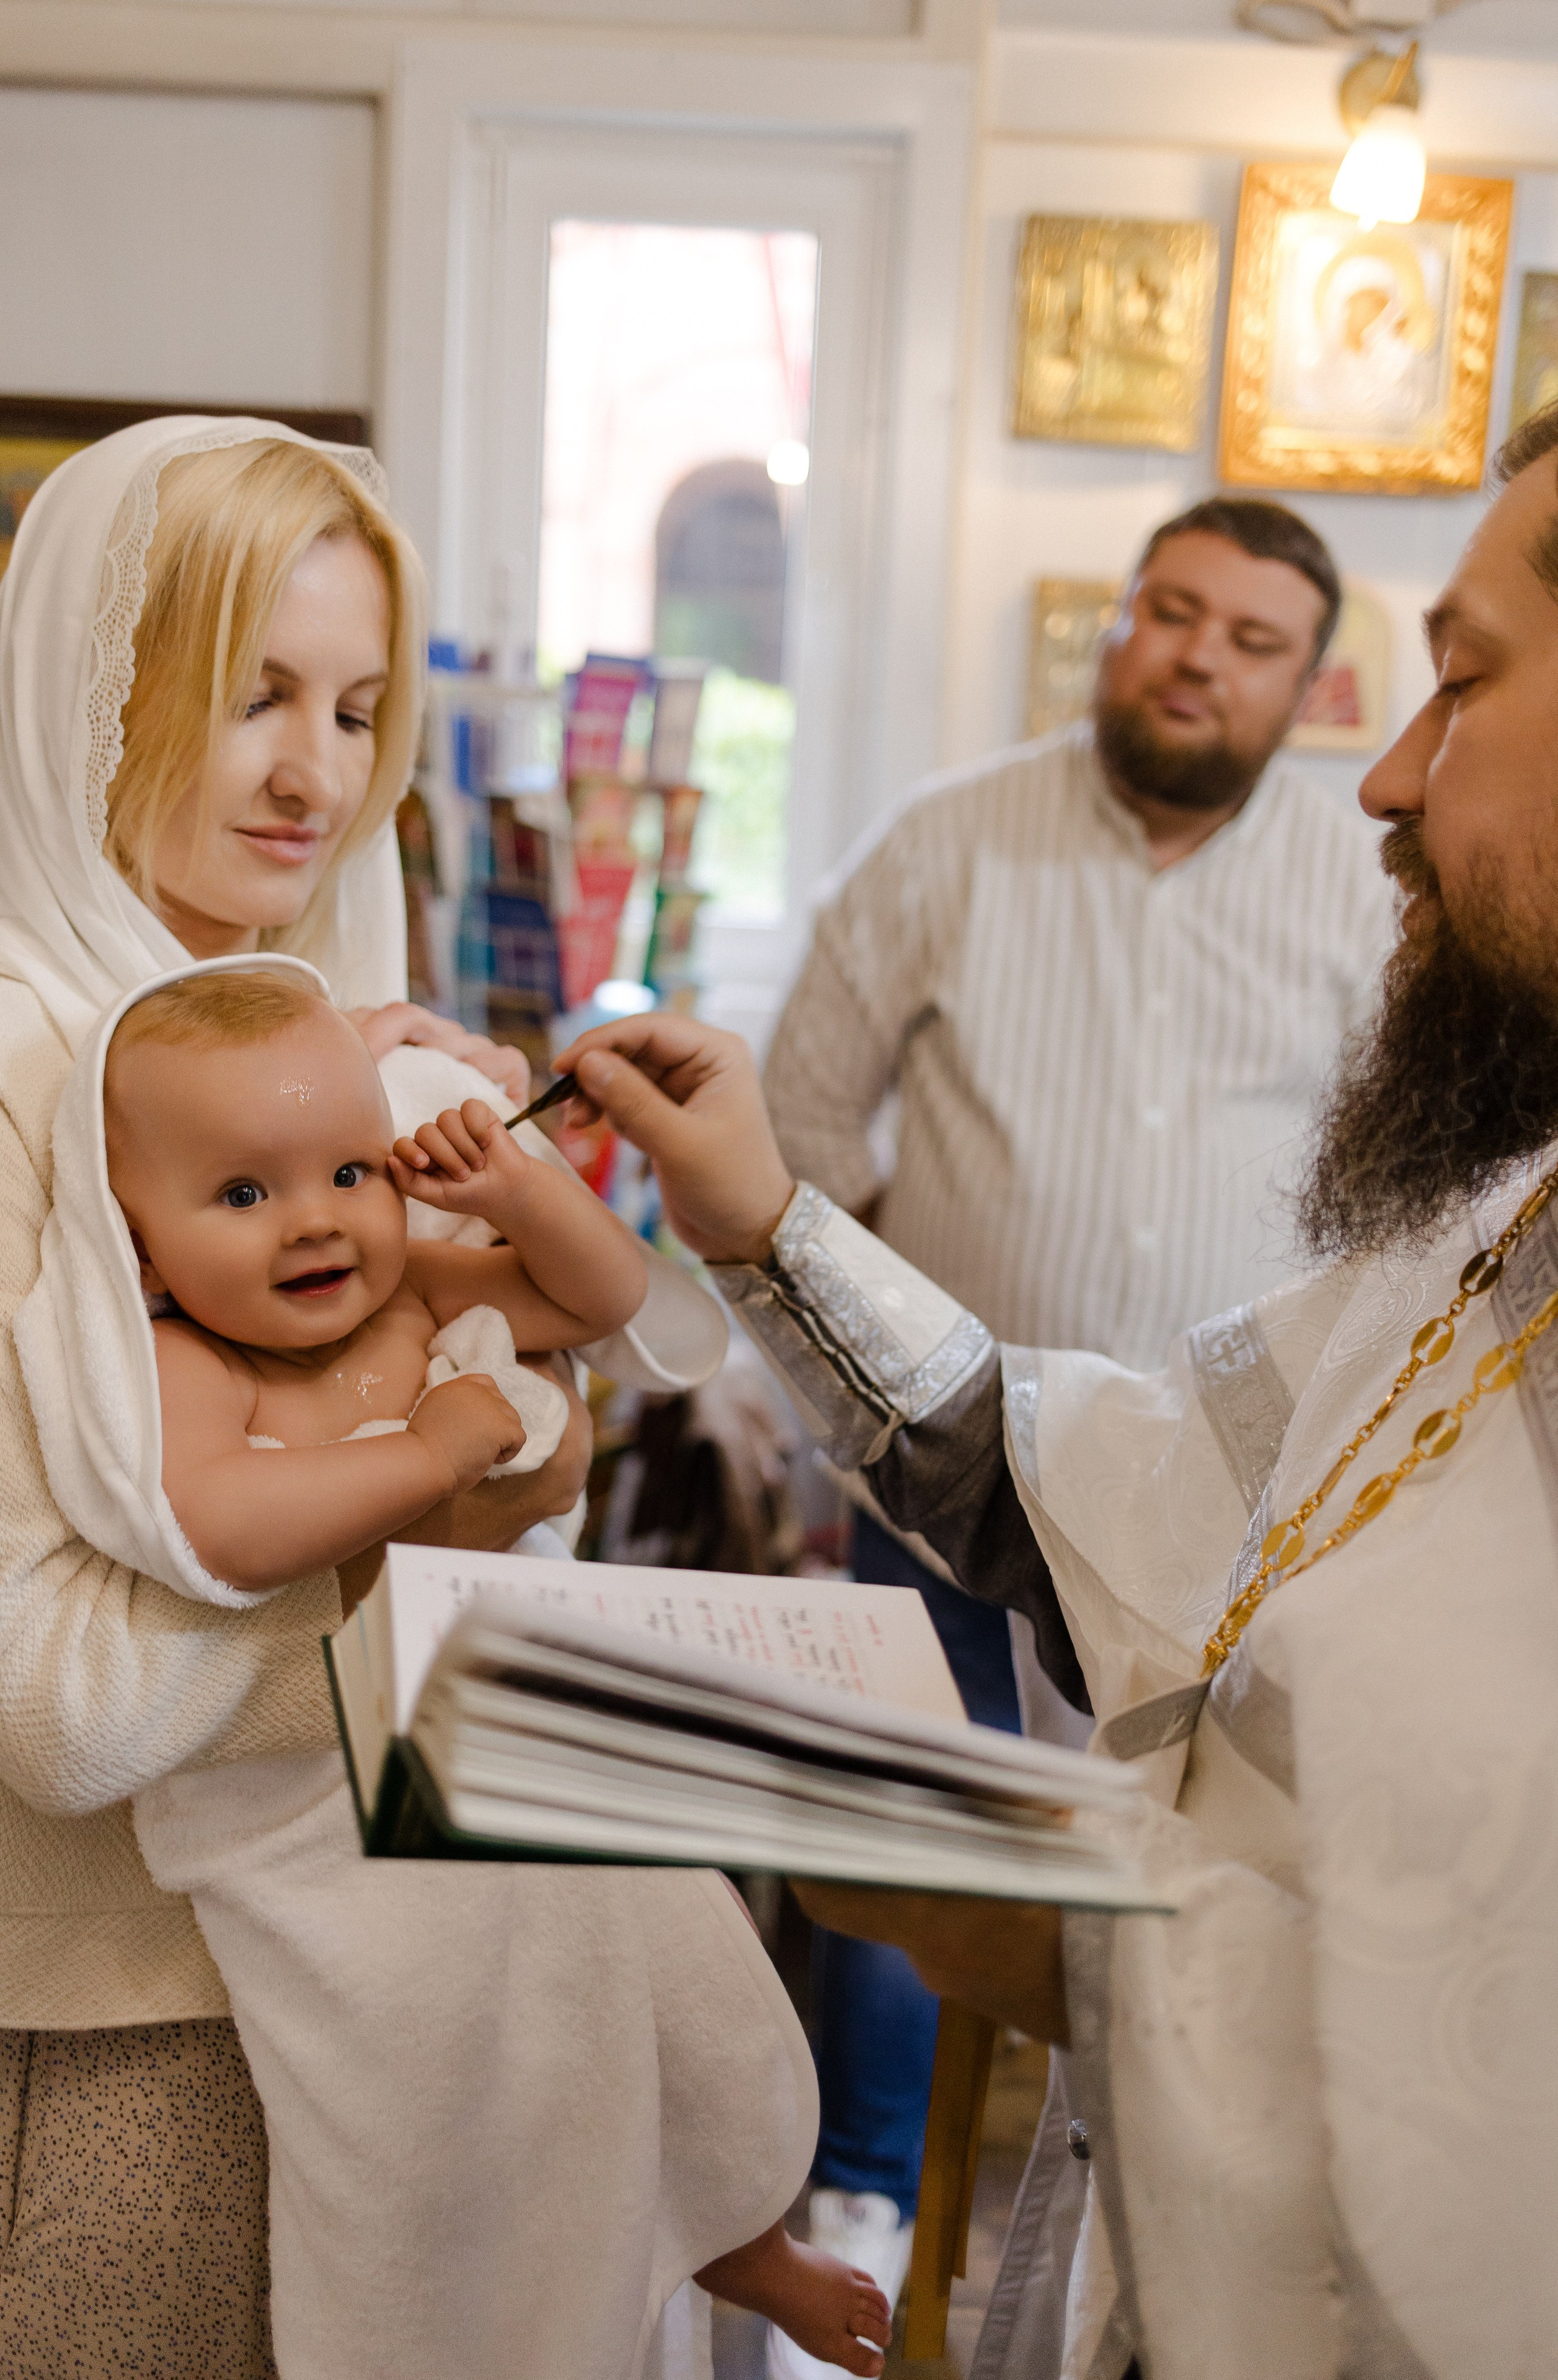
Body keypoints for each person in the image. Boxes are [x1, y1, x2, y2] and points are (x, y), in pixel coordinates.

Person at [552, 397, 1558, 2379]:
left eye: (1465, 685)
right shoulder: (1492, 1235)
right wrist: (763, 1221)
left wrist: (1032, 1925)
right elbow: (1112, 1479)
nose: (1394, 784)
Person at [0, 416, 810, 2380]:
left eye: (355, 711)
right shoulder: (10, 1085)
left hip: (417, 1990)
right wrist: (427, 1532)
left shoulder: (329, 1049)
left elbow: (533, 1411)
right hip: (133, 2043)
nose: (313, 774)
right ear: (95, 686)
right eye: (247, 693)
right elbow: (50, 1702)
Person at [19, 956, 892, 2378]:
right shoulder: (196, 1369)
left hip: (485, 1732)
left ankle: (734, 2231)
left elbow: (608, 1301)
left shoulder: (408, 1286)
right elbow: (219, 1526)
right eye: (243, 1195)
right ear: (135, 1242)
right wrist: (424, 1456)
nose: (314, 1224)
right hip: (306, 1806)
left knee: (658, 1947)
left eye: (350, 1171)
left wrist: (515, 1189)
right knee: (431, 2079)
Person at [761, 495, 1396, 2351]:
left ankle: (1158, 2255)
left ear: (1303, 682)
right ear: (1119, 625)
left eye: (1250, 638)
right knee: (935, 1843)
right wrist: (871, 1379)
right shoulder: (943, 847)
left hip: (1245, 1523)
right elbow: (798, 1142)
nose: (1198, 656)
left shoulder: (1368, 889)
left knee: (1199, 1897)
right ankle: (869, 2202)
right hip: (962, 1484)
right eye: (1171, 612)